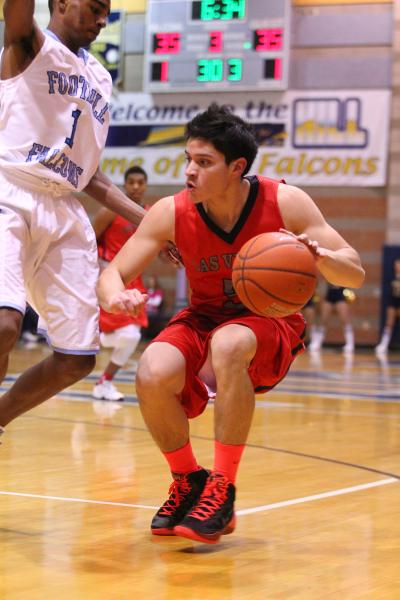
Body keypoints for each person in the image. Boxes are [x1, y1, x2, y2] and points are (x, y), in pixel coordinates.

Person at [97, 103, 365, 544]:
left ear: (237, 167)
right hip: (203, 316)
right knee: (151, 371)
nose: (189, 171)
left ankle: (223, 487)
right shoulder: (171, 211)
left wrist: (323, 257)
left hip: (266, 321)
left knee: (228, 344)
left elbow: (353, 270)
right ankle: (189, 479)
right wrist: (116, 295)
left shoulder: (284, 200)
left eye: (203, 163)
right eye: (187, 159)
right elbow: (111, 274)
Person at [0, 0, 149, 441]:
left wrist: (152, 223)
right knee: (5, 324)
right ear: (61, 3)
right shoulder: (29, 44)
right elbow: (17, 11)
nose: (104, 20)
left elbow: (90, 176)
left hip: (65, 206)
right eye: (95, 8)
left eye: (107, 12)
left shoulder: (100, 76)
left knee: (78, 358)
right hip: (9, 189)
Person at [92, 166, 149, 401]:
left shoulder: (150, 214)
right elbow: (88, 240)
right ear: (124, 185)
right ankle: (95, 340)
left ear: (145, 185)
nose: (135, 186)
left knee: (133, 335)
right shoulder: (109, 211)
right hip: (111, 278)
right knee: (130, 336)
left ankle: (104, 381)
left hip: (136, 281)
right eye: (131, 182)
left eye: (140, 182)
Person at [308, 284, 356, 354]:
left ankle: (350, 343)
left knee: (344, 319)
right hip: (329, 297)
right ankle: (317, 342)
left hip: (340, 298)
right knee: (323, 320)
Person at [375, 258, 400, 355]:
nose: (398, 266)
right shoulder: (392, 277)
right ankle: (384, 345)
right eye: (397, 264)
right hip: (393, 301)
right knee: (389, 323)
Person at [143, 275, 165, 340]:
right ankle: (144, 336)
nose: (151, 283)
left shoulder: (158, 292)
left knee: (152, 317)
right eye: (150, 281)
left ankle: (151, 336)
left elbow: (156, 303)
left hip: (154, 311)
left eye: (153, 282)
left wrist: (148, 301)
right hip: (146, 311)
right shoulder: (146, 291)